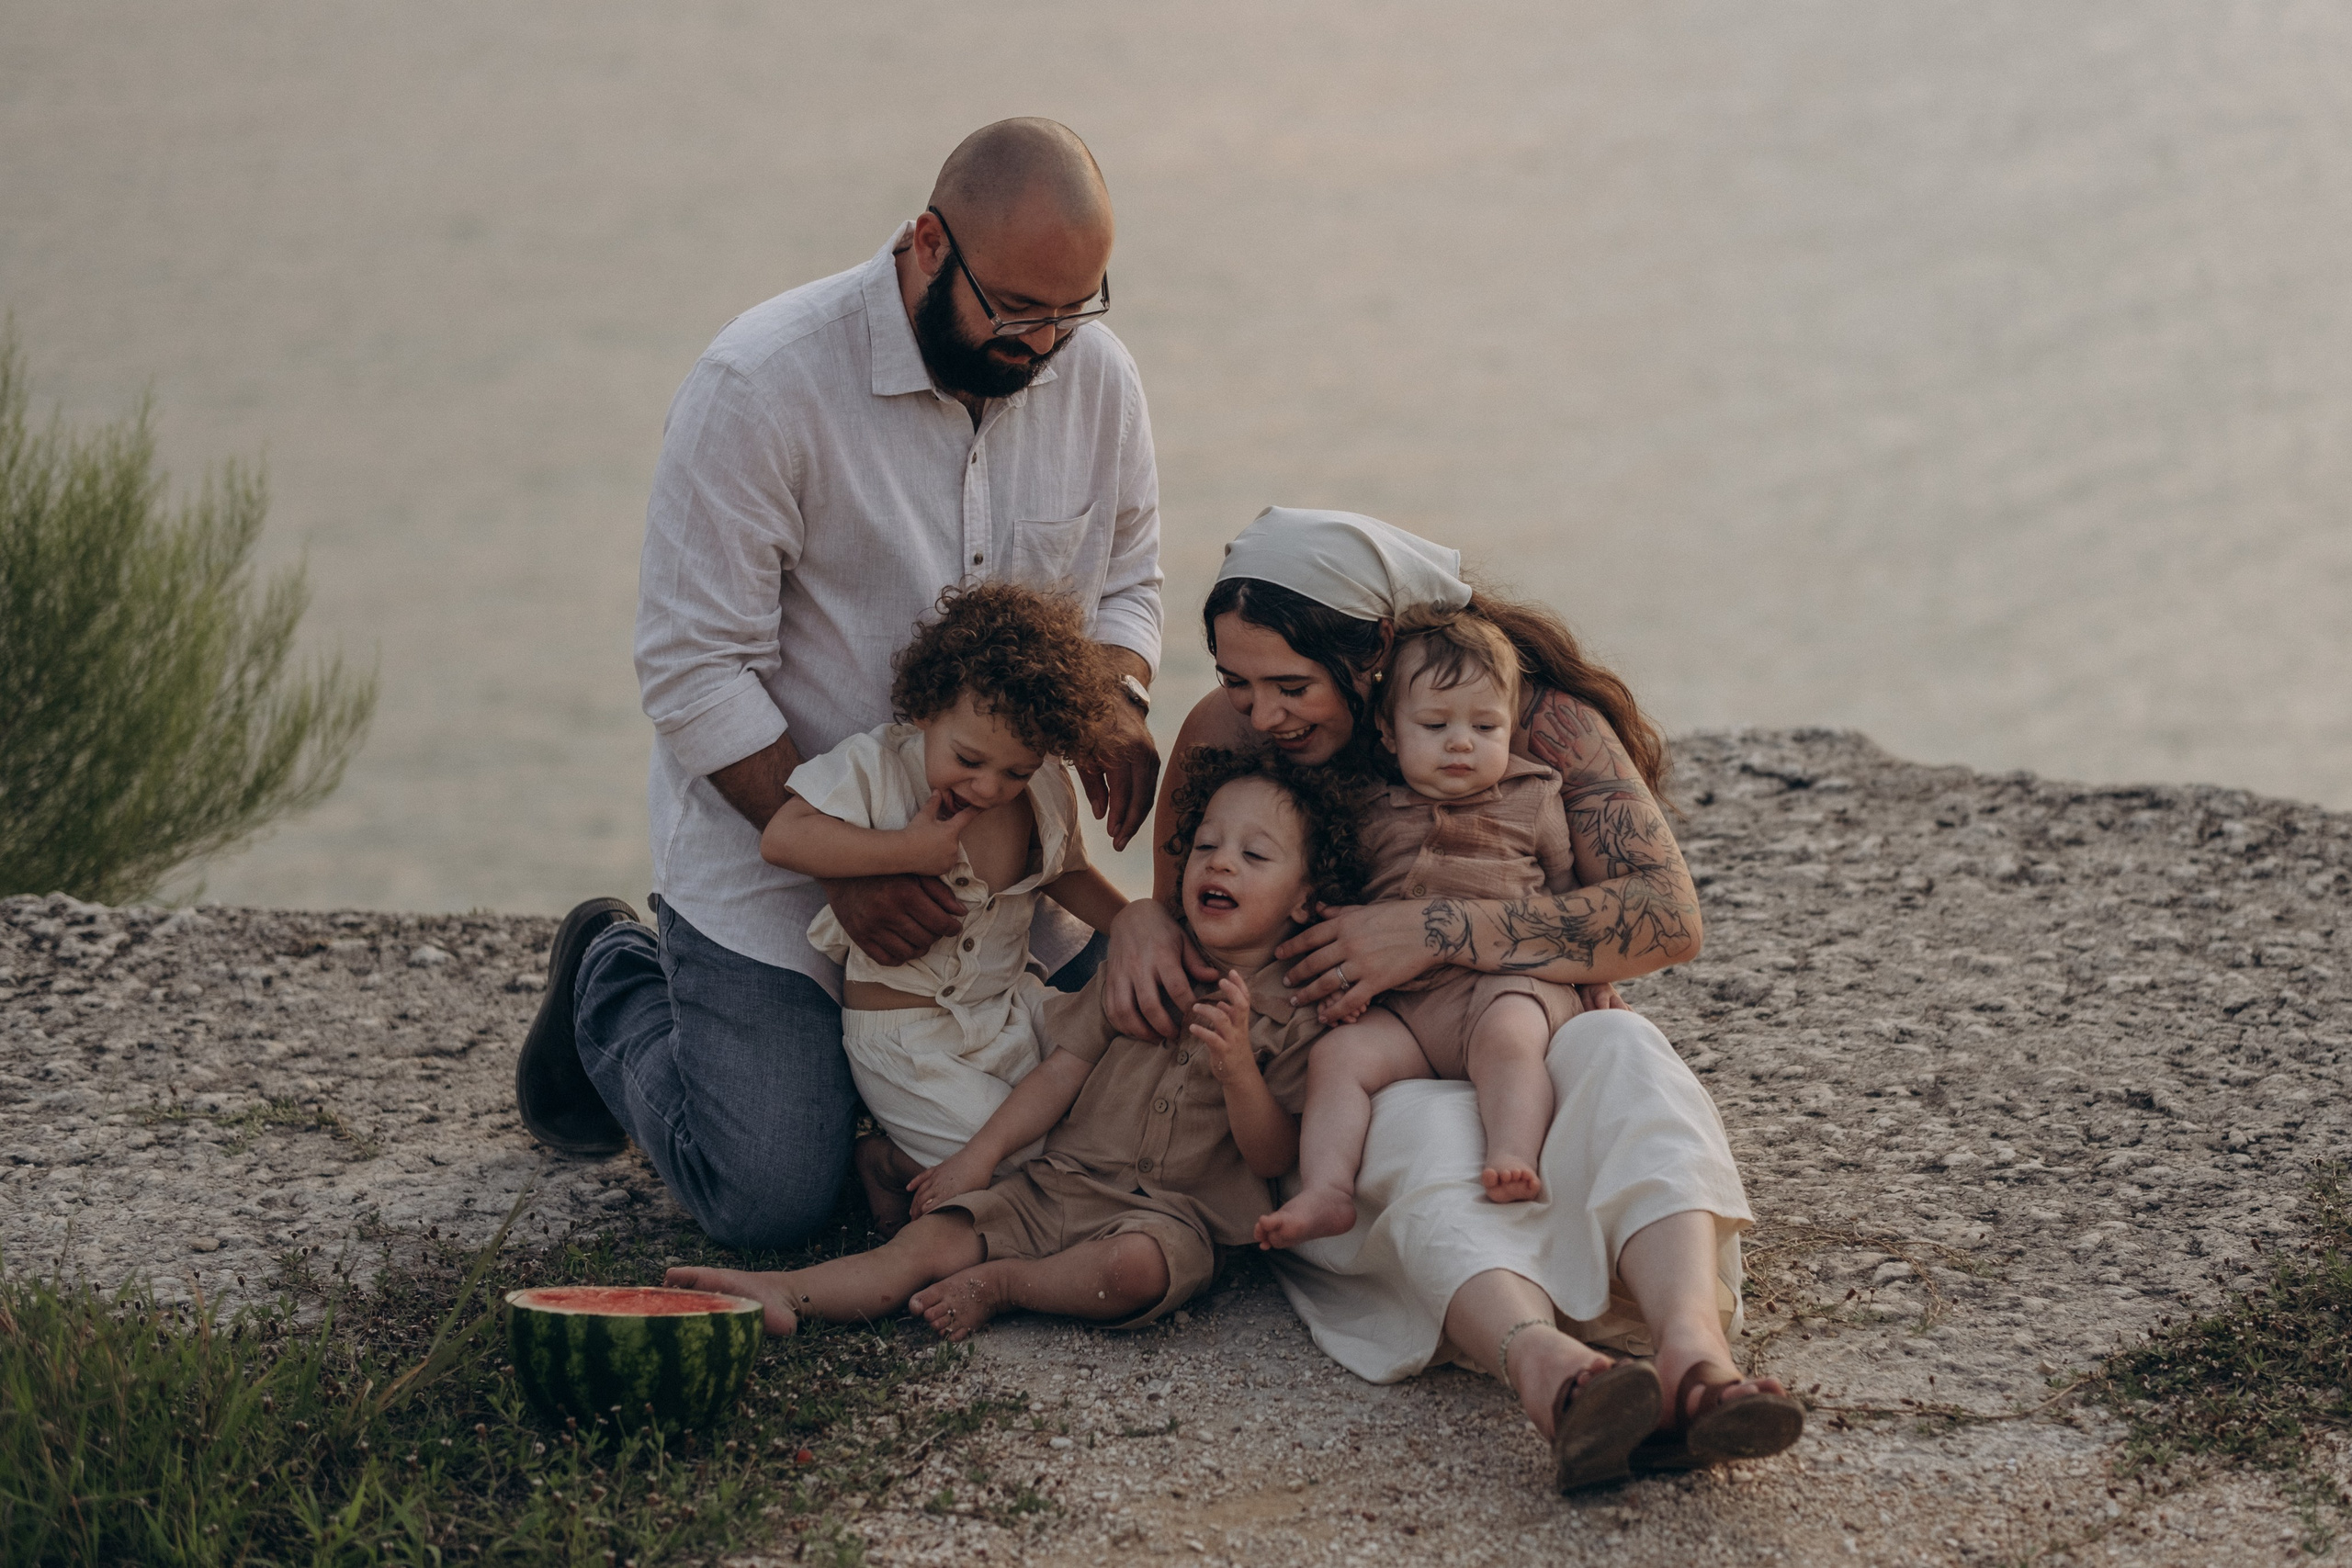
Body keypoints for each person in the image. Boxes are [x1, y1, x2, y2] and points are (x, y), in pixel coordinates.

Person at [513, 118, 1164, 1253]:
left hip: (997, 880)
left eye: (1072, 310)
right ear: (925, 244)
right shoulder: (759, 384)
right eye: (1013, 310)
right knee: (769, 1200)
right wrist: (844, 864)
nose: (1043, 345)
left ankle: (901, 1072)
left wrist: (1114, 696)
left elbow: (1130, 588)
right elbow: (692, 669)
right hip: (774, 861)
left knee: (1163, 1045)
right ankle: (610, 982)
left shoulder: (1091, 373)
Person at [1104, 507, 1803, 1490]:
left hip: (1517, 1015)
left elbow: (1667, 916)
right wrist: (1134, 921)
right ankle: (1554, 1378)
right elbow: (1179, 899)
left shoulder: (1528, 715)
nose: (1262, 713)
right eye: (1235, 680)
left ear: (1375, 654)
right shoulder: (1226, 736)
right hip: (1360, 1061)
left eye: (1291, 685)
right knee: (1413, 1133)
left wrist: (1430, 931)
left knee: (1628, 1058)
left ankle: (1699, 1362)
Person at [665, 749, 1374, 1342]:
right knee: (928, 1243)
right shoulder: (1149, 967)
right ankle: (786, 1291)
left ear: (1307, 898)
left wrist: (1239, 1066)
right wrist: (980, 1157)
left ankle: (1008, 1284)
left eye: (1253, 854)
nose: (1220, 865)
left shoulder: (1300, 1009)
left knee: (1134, 1270)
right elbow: (1061, 1071)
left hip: (1170, 1215)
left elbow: (1276, 1155)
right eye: (1207, 846)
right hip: (1055, 1179)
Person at [760, 581, 1130, 1234]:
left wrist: (1136, 922)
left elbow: (1065, 873)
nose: (990, 786)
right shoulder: (878, 768)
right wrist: (903, 848)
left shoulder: (1044, 788)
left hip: (1011, 1010)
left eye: (1015, 770)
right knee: (1026, 1166)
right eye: (969, 759)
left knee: (1120, 1103)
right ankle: (887, 1160)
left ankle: (913, 1156)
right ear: (927, 709)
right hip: (909, 1040)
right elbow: (783, 836)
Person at [1253, 614, 1582, 1251]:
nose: (1461, 743)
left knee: (1511, 1040)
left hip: (1497, 985)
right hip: (1404, 1009)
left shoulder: (1535, 796)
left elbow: (1568, 896)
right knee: (1338, 1058)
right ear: (1388, 730)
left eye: (1485, 727)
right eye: (1435, 726)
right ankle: (1327, 1188)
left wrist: (1590, 976)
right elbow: (1342, 910)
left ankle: (1514, 1153)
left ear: (1510, 727)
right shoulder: (1369, 806)